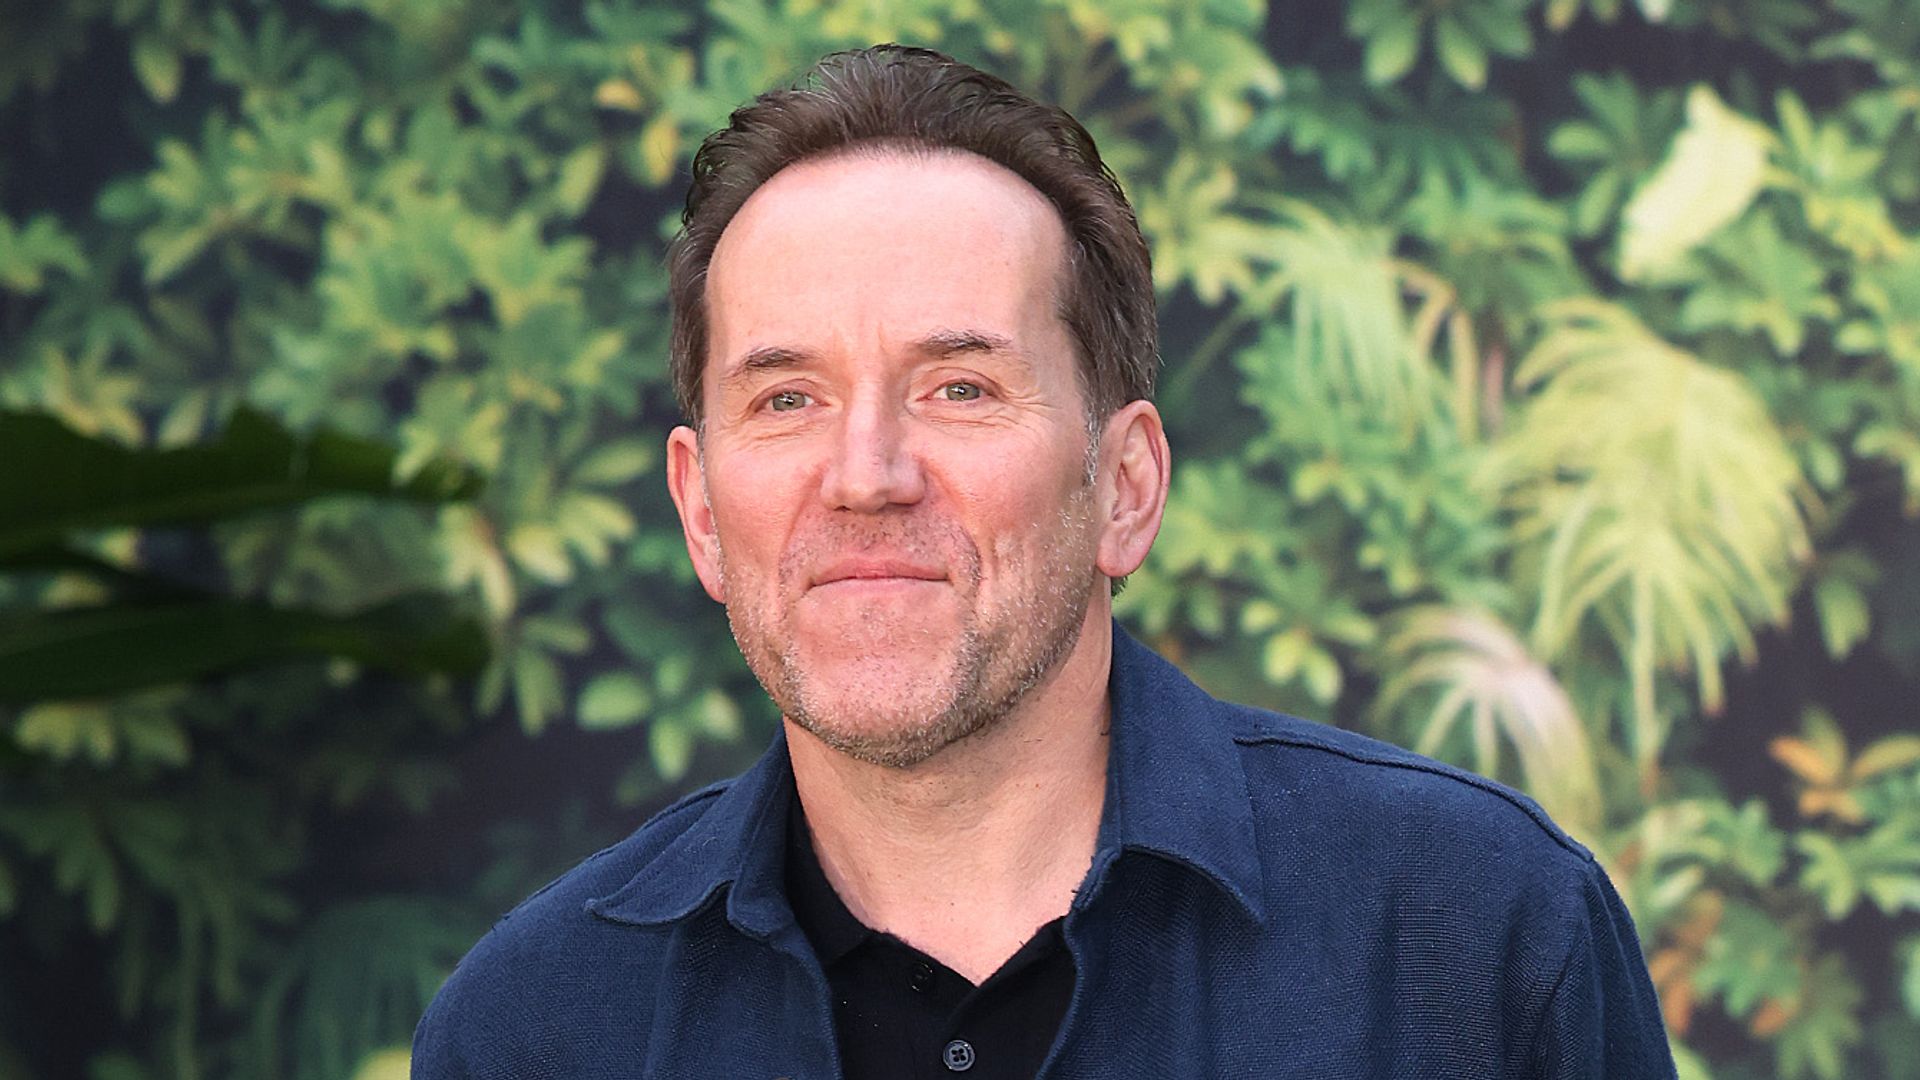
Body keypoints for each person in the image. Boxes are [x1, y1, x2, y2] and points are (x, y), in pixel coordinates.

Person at [412, 44, 1676, 1079]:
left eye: (959, 386)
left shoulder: (1476, 937)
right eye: (787, 399)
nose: (865, 473)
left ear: (1124, 487)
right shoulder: (531, 1030)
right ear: (700, 511)